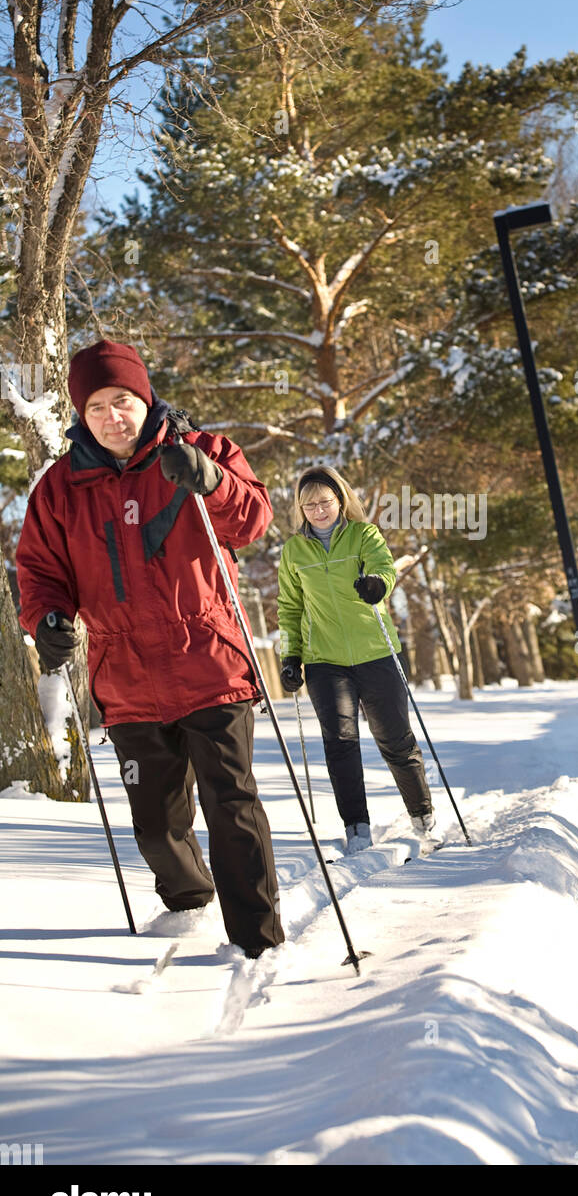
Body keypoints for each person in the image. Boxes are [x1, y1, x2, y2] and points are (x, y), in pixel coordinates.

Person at [16, 339, 284, 959]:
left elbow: (253, 522)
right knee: (157, 826)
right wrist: (48, 618)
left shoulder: (202, 452)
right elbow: (39, 570)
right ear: (81, 414)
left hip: (211, 661)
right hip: (126, 676)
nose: (114, 416)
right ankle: (190, 905)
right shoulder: (59, 489)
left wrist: (212, 482)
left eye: (124, 401)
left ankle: (259, 942)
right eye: (99, 407)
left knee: (232, 808)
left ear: (145, 398)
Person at [277, 465, 439, 854]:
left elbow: (384, 567)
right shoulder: (294, 551)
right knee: (340, 743)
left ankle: (422, 816)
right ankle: (357, 829)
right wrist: (290, 655)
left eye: (326, 502)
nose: (318, 510)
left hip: (376, 652)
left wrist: (378, 585)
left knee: (395, 739)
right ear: (300, 509)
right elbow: (288, 607)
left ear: (341, 500)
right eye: (309, 504)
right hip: (324, 660)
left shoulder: (363, 534)